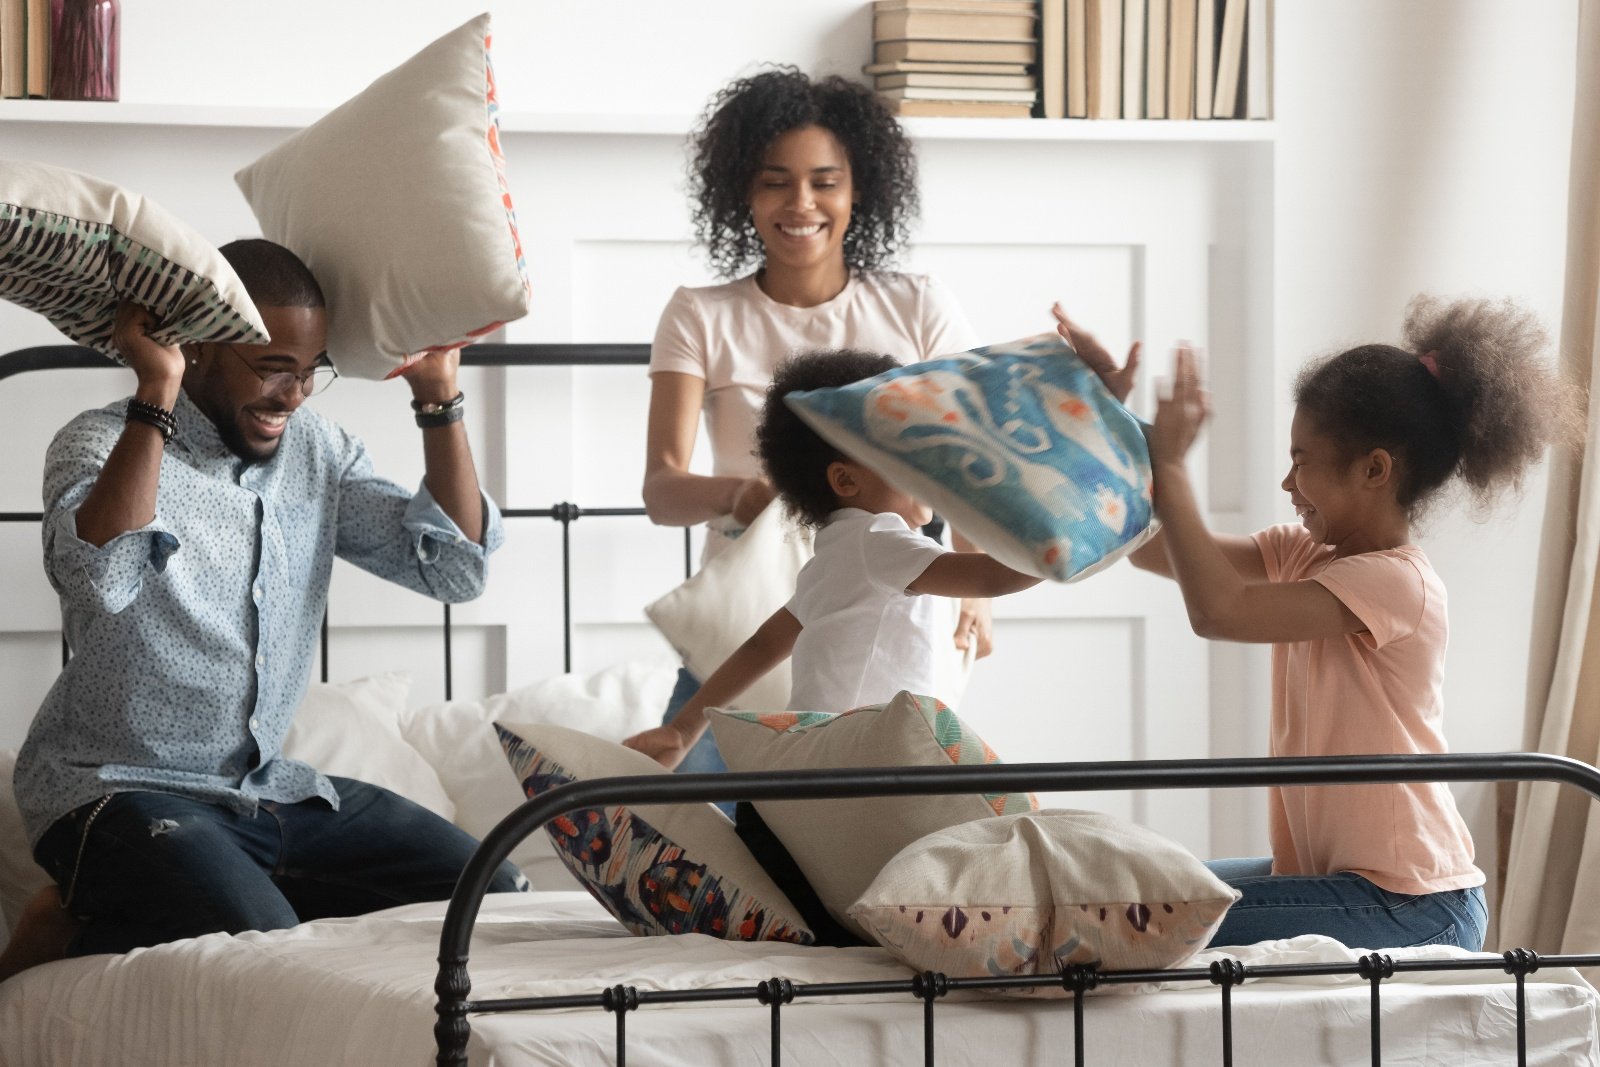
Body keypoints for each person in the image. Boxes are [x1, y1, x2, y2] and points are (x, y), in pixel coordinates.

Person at [0, 239, 521, 984]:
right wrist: (157, 390)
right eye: (274, 368)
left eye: (310, 372)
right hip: (118, 791)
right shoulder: (99, 439)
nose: (294, 395)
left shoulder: (318, 450)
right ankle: (67, 927)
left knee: (496, 899)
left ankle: (144, 910)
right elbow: (100, 580)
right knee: (273, 961)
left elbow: (454, 568)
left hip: (269, 792)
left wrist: (439, 399)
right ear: (199, 347)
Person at [1068, 294, 1576, 951]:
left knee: (1146, 919)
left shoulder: (1399, 584)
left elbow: (1219, 609)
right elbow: (1152, 548)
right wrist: (1105, 419)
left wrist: (1169, 464)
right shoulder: (1305, 554)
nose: (1286, 481)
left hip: (1412, 903)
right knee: (1133, 896)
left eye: (1301, 460)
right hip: (1340, 881)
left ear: (1374, 470)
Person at [642, 67, 987, 778]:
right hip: (744, 610)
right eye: (775, 181)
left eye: (825, 181)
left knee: (872, 821)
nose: (801, 203)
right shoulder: (700, 314)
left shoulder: (918, 306)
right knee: (718, 841)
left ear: (860, 188)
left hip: (892, 595)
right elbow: (661, 489)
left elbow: (967, 460)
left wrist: (976, 594)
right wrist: (744, 496)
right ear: (743, 189)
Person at [626, 349, 1047, 769]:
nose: (928, 467)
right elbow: (994, 578)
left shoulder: (836, 552)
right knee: (1008, 798)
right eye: (907, 454)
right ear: (846, 479)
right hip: (856, 773)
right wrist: (1072, 532)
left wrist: (683, 729)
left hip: (814, 771)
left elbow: (761, 645)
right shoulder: (880, 542)